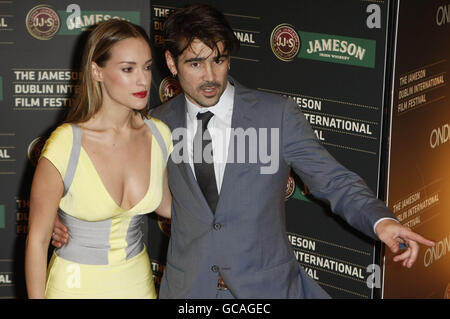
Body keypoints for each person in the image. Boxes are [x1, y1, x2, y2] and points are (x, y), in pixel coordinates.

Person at [54, 4, 434, 299]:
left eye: (219, 60)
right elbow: (118, 183)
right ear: (171, 63)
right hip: (190, 290)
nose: (210, 76)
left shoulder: (276, 114)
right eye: (195, 63)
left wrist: (381, 221)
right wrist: (63, 217)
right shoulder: (156, 124)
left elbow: (332, 180)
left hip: (265, 288)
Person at [25, 20, 173, 299]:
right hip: (74, 287)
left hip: (137, 287)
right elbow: (37, 241)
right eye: (128, 69)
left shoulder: (159, 134)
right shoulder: (66, 143)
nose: (143, 80)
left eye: (147, 67)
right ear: (97, 71)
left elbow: (169, 205)